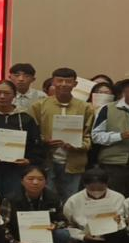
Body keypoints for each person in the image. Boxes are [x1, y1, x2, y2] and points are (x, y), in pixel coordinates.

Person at [31, 67, 95, 199]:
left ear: (75, 84)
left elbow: (89, 136)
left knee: (71, 198)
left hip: (74, 161)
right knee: (48, 197)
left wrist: (78, 145)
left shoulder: (86, 107)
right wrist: (44, 140)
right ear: (53, 82)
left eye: (68, 81)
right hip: (47, 160)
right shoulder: (39, 106)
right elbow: (32, 133)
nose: (64, 84)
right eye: (59, 81)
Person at [1, 164, 69, 243]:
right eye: (30, 179)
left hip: (44, 238)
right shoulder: (10, 199)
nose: (35, 182)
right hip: (18, 242)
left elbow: (64, 221)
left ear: (46, 181)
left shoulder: (54, 198)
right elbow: (3, 227)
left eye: (40, 179)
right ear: (22, 181)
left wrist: (55, 225)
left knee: (63, 234)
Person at [0, 80, 42, 197]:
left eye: (7, 93)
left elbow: (36, 144)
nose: (2, 96)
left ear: (14, 95)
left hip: (17, 170)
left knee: (14, 199)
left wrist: (29, 160)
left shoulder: (25, 118)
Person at [63, 168, 129, 243]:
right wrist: (83, 236)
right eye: (92, 188)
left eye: (100, 188)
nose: (96, 191)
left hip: (111, 237)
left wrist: (118, 222)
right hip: (86, 237)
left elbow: (123, 220)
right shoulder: (74, 200)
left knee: (118, 236)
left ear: (106, 184)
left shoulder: (118, 198)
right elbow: (68, 225)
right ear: (85, 185)